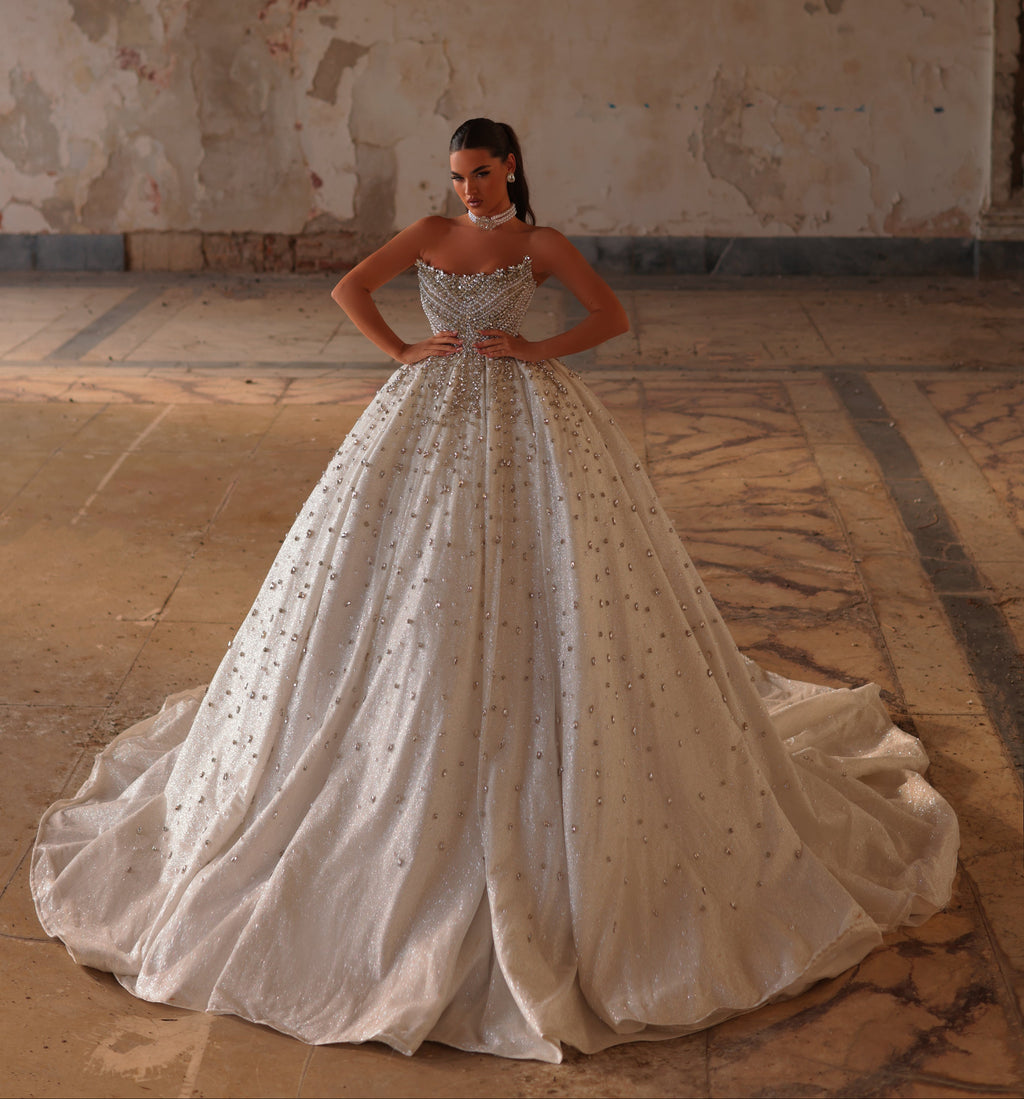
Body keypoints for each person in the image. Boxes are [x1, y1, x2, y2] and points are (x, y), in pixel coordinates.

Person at [31, 118, 958, 1064]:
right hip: (426, 413)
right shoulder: (431, 235)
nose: (468, 190)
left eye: (481, 174)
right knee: (393, 586)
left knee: (548, 582)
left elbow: (612, 316)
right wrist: (401, 350)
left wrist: (538, 353)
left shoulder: (538, 245)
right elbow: (349, 286)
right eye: (458, 176)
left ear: (512, 167)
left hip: (526, 420)